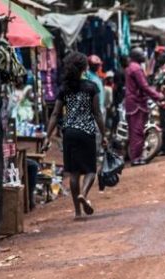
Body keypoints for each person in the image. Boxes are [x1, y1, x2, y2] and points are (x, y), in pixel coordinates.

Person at [43, 52, 107, 219]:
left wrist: (47, 136)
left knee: (73, 174)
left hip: (69, 133)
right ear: (84, 68)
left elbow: (55, 114)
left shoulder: (64, 89)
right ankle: (84, 195)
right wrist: (104, 135)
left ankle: (78, 212)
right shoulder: (91, 87)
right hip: (86, 133)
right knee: (91, 170)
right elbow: (97, 113)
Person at [124, 47, 164, 166]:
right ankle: (136, 158)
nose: (144, 56)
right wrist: (158, 96)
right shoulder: (136, 68)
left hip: (133, 102)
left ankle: (136, 156)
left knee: (135, 131)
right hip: (137, 103)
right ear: (137, 56)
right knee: (137, 131)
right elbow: (144, 86)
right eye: (142, 55)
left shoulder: (130, 67)